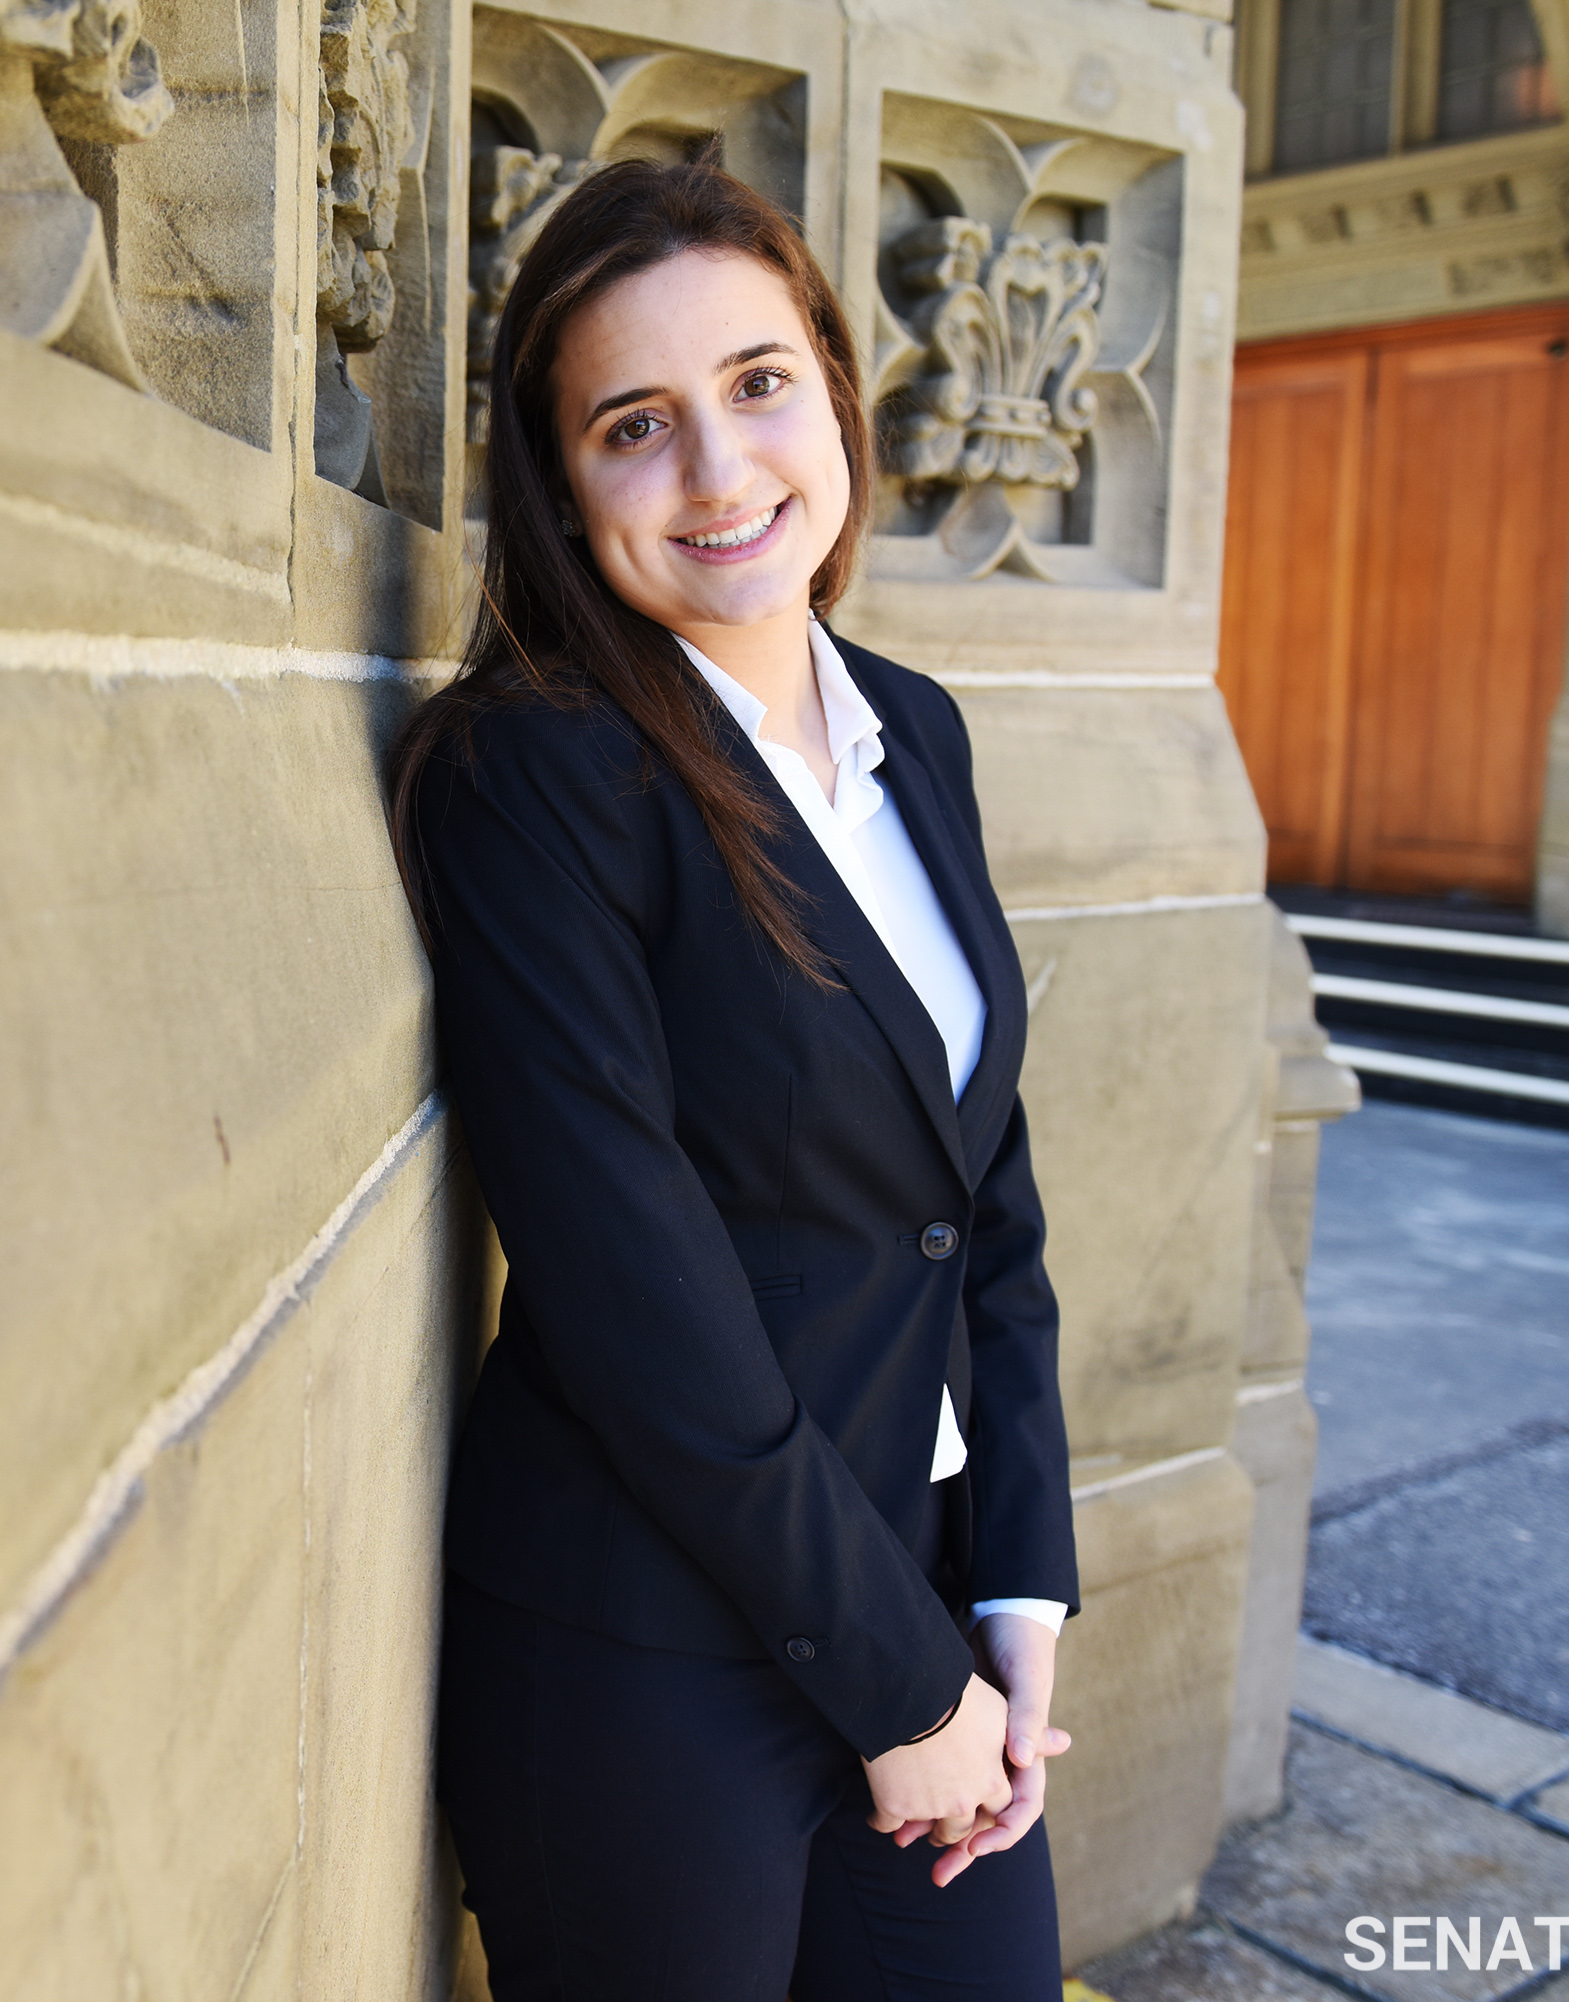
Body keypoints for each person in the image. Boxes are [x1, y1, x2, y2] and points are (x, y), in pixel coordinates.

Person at [389, 156, 1080, 1998]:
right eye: (637, 424)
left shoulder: (911, 731)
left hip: (923, 1601)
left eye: (759, 385)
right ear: (561, 484)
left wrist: (1016, 1591)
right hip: (647, 1653)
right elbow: (634, 1294)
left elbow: (984, 1194)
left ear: (838, 393)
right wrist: (905, 1681)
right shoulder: (528, 773)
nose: (719, 470)